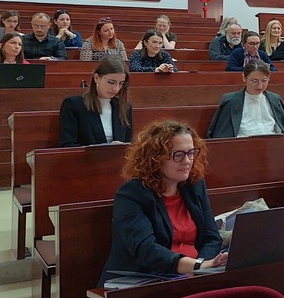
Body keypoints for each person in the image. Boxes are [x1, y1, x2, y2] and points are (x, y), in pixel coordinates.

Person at [98, 121, 228, 284]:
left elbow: (212, 237)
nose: (187, 161)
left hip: (194, 276)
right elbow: (146, 250)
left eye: (191, 153)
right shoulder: (131, 194)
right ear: (155, 158)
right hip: (146, 279)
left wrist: (202, 268)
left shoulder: (194, 186)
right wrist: (197, 266)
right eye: (178, 155)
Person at [58, 57, 133, 146]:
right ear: (96, 78)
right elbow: (67, 145)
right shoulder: (74, 105)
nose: (116, 88)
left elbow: (128, 143)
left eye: (121, 84)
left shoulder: (124, 106)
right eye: (111, 82)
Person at [207, 60, 284, 139]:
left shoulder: (275, 100)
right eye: (254, 81)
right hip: (241, 144)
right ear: (244, 78)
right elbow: (221, 135)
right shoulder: (230, 101)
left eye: (264, 81)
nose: (260, 86)